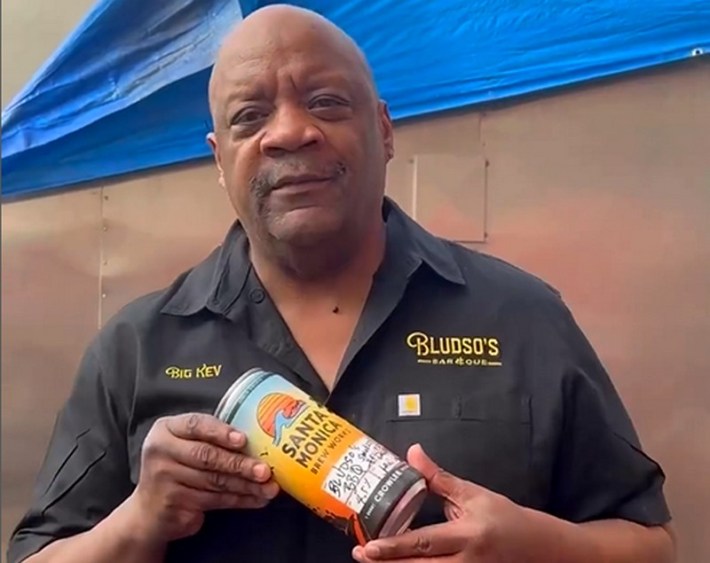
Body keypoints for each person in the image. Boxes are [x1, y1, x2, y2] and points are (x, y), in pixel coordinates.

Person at [7, 4, 676, 563]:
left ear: (383, 131)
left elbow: (652, 543)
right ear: (219, 161)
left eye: (326, 101)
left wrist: (538, 546)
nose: (291, 132)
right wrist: (139, 519)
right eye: (249, 117)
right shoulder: (138, 346)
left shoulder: (520, 314)